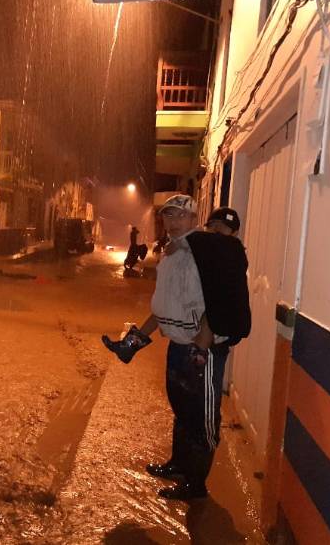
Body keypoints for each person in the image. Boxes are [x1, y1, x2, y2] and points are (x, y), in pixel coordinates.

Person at [101, 195, 250, 501]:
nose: (172, 222)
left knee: (203, 419)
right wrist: (134, 341)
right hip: (178, 346)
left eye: (180, 216)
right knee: (182, 409)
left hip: (201, 349)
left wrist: (202, 345)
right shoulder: (172, 251)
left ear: (194, 219)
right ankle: (179, 465)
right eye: (168, 216)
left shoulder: (205, 250)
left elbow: (217, 299)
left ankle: (196, 485)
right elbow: (165, 305)